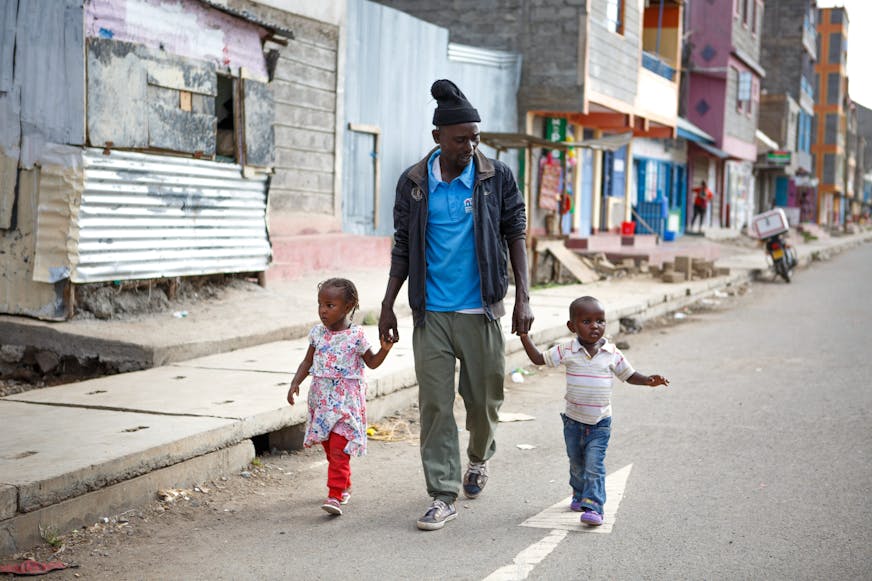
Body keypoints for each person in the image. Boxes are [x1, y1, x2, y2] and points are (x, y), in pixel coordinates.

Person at [378, 79, 533, 531]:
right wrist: (388, 304)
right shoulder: (413, 183)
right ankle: (442, 493)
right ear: (437, 139)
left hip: (480, 310)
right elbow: (403, 245)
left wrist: (522, 296)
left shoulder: (495, 176)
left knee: (484, 401)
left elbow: (515, 232)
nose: (470, 146)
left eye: (475, 137)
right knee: (435, 406)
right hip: (432, 314)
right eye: (461, 138)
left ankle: (479, 458)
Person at [519, 296, 668, 526]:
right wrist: (524, 336)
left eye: (600, 321)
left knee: (594, 465)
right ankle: (579, 494)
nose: (595, 326)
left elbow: (628, 375)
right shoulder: (567, 350)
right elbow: (539, 359)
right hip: (573, 422)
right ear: (572, 326)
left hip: (600, 423)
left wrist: (648, 380)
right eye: (587, 321)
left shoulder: (612, 352)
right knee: (577, 463)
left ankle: (595, 506)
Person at [288, 278, 393, 516]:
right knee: (329, 446)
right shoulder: (317, 334)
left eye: (329, 305)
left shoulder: (356, 336)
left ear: (348, 307)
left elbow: (372, 363)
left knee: (338, 448)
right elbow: (308, 361)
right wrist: (295, 382)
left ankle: (334, 495)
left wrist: (385, 349)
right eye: (320, 304)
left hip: (346, 404)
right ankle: (344, 482)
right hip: (322, 402)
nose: (323, 310)